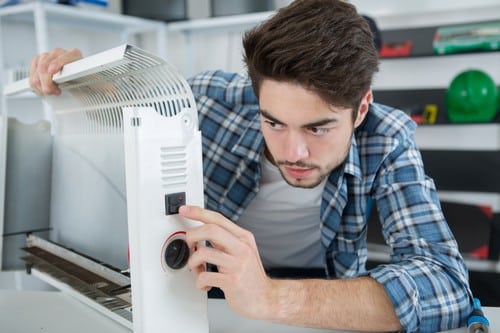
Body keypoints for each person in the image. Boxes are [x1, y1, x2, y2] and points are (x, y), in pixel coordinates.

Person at [29, 0, 473, 332]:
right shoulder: (206, 101)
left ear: (360, 110)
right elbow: (121, 112)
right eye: (273, 122)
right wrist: (77, 79)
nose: (293, 152)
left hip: (319, 288)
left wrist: (272, 297)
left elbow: (446, 281)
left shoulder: (387, 136)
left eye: (318, 128)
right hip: (205, 286)